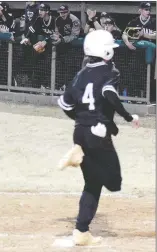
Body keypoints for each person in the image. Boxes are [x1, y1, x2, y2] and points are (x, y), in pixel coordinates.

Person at [57, 30, 140, 246]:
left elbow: (65, 104)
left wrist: (81, 120)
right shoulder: (109, 70)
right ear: (104, 50)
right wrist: (128, 117)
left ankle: (81, 231)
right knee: (114, 182)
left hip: (80, 132)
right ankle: (81, 157)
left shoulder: (80, 74)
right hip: (98, 133)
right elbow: (109, 94)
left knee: (92, 183)